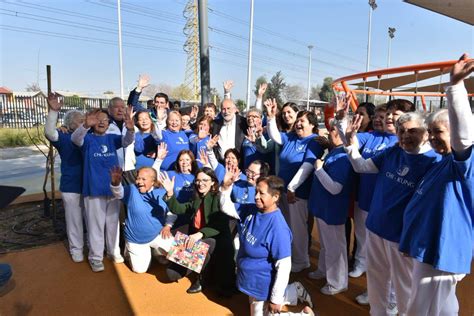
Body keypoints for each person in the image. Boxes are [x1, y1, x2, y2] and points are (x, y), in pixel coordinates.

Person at [344, 110, 441, 315]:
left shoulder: (435, 161)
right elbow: (361, 166)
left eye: (412, 131)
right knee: (377, 279)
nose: (405, 135)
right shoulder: (393, 151)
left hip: (402, 237)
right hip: (376, 226)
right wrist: (349, 142)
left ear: (426, 133)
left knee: (404, 287)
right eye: (401, 131)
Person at [399, 54, 474, 316]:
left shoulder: (463, 162)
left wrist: (455, 86)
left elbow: (465, 134)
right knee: (443, 308)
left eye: (438, 132)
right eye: (430, 132)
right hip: (430, 249)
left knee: (420, 310)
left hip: (442, 252)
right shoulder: (443, 161)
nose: (431, 138)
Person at [219, 173, 314, 315]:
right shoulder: (251, 209)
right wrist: (225, 188)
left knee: (267, 312)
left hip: (262, 283)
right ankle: (293, 291)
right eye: (256, 191)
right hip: (249, 279)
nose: (256, 196)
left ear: (275, 197)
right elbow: (227, 207)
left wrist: (275, 299)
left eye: (261, 193)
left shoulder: (278, 228)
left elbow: (284, 266)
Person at [71, 107, 135, 272]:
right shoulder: (88, 139)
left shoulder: (112, 139)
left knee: (112, 223)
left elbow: (127, 141)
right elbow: (75, 139)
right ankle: (96, 257)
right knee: (95, 226)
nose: (101, 122)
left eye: (105, 120)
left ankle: (112, 251)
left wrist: (130, 128)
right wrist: (85, 125)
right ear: (92, 122)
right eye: (98, 119)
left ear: (109, 123)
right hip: (93, 190)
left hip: (113, 189)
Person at [265, 99, 323, 273]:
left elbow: (307, 165)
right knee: (286, 226)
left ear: (312, 125)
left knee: (298, 227)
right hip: (283, 191)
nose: (298, 124)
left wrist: (292, 188)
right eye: (297, 121)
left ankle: (301, 260)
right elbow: (275, 135)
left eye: (302, 121)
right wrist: (270, 117)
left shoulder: (314, 141)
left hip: (298, 194)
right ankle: (290, 256)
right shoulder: (291, 137)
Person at [159, 167, 235, 295]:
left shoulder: (218, 197)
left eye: (205, 180)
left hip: (217, 239)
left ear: (213, 182)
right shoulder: (196, 198)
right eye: (198, 180)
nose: (200, 183)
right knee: (171, 274)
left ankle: (202, 279)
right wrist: (170, 193)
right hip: (197, 238)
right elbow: (178, 209)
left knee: (202, 244)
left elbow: (220, 223)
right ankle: (201, 267)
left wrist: (200, 234)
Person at [307, 120, 355, 295]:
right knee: (327, 245)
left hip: (333, 209)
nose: (329, 132)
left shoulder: (343, 157)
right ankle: (324, 270)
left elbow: (336, 188)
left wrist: (319, 169)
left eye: (333, 130)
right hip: (323, 208)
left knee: (335, 247)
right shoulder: (334, 151)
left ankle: (337, 283)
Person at [110, 166, 176, 273]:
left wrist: (168, 226)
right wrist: (116, 183)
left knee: (182, 254)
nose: (139, 182)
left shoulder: (161, 192)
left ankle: (156, 252)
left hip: (158, 234)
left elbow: (171, 213)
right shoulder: (131, 190)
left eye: (143, 179)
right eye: (138, 178)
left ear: (152, 181)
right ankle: (128, 250)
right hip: (136, 239)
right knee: (140, 270)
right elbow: (118, 193)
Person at [45, 93, 86, 263]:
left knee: (91, 219)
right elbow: (49, 133)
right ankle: (76, 249)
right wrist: (53, 112)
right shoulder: (63, 137)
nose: (84, 123)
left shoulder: (91, 136)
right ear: (70, 125)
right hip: (71, 186)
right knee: (74, 220)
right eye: (80, 121)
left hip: (90, 186)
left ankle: (92, 245)